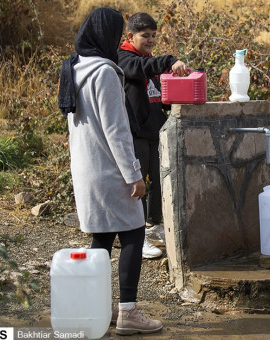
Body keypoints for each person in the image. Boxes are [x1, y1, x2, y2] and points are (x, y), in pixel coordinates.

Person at [58, 7, 164, 334]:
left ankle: (98, 307)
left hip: (86, 168)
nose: (117, 41)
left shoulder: (75, 67)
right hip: (109, 169)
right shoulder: (104, 72)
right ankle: (129, 312)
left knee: (102, 235)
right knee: (133, 231)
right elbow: (116, 130)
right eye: (116, 34)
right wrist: (134, 174)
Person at [117, 12, 188, 259]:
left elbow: (157, 96)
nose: (150, 40)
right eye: (145, 36)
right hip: (135, 135)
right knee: (138, 187)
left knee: (160, 181)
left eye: (154, 36)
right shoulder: (124, 59)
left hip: (156, 134)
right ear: (130, 36)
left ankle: (152, 225)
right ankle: (136, 237)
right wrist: (169, 60)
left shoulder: (148, 61)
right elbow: (139, 69)